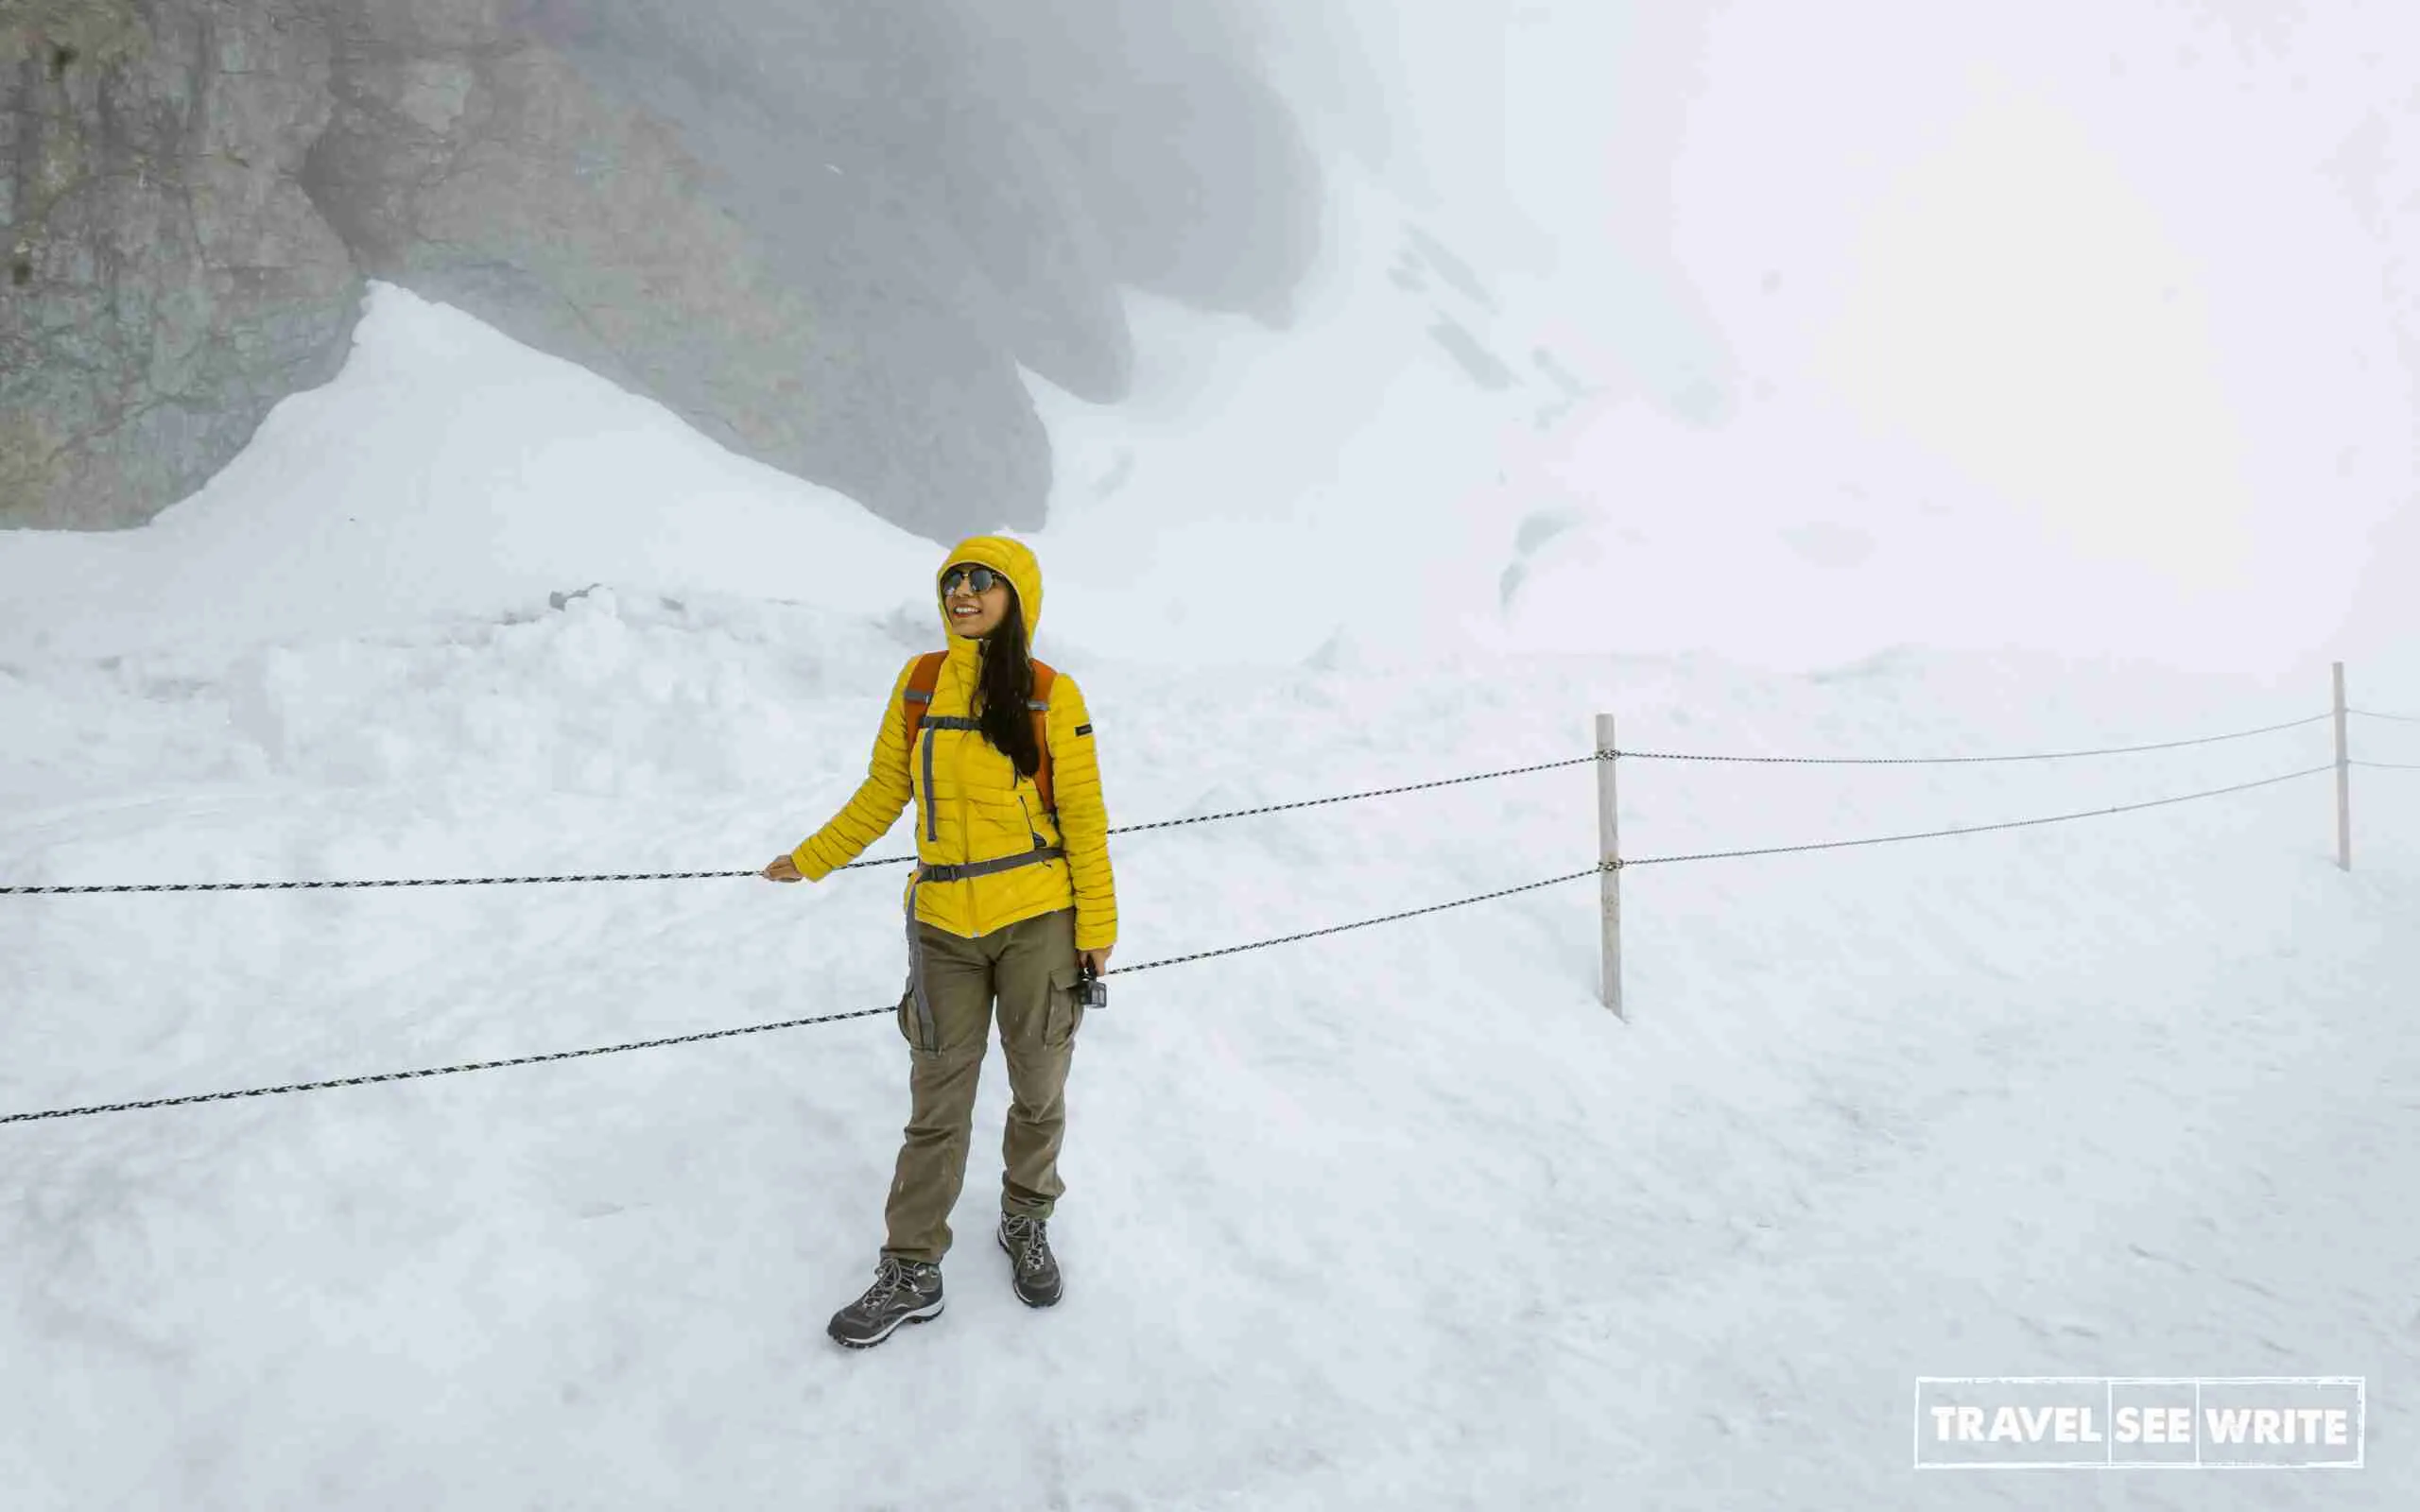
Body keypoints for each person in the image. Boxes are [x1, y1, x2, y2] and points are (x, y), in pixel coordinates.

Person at [762, 535, 1117, 1349]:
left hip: (1038, 920)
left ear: (1015, 597)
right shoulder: (920, 683)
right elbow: (886, 786)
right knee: (936, 1102)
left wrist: (1096, 929)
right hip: (942, 926)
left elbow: (1084, 821)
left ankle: (1026, 1219)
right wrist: (814, 858)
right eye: (952, 580)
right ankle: (912, 1266)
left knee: (1037, 1084)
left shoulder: (1051, 695)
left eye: (981, 581)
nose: (962, 592)